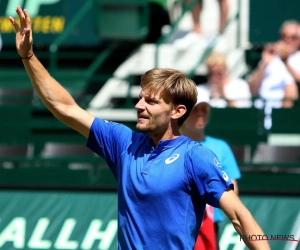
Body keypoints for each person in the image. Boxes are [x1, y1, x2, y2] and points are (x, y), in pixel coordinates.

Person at [9, 6, 270, 249]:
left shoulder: (196, 156)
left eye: (151, 101)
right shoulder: (123, 142)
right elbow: (64, 107)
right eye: (141, 97)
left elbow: (238, 216)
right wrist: (28, 56)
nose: (138, 105)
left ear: (177, 111)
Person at [181, 88, 241, 249]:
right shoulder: (171, 145)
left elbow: (232, 188)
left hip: (209, 223)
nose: (200, 114)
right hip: (177, 225)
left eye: (204, 109)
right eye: (195, 109)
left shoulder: (221, 147)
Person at [248, 20, 299, 108]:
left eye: (293, 37)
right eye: (284, 36)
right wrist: (264, 64)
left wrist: (285, 61)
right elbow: (251, 88)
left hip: (290, 112)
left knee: (290, 88)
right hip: (262, 109)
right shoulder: (271, 57)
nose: (288, 40)